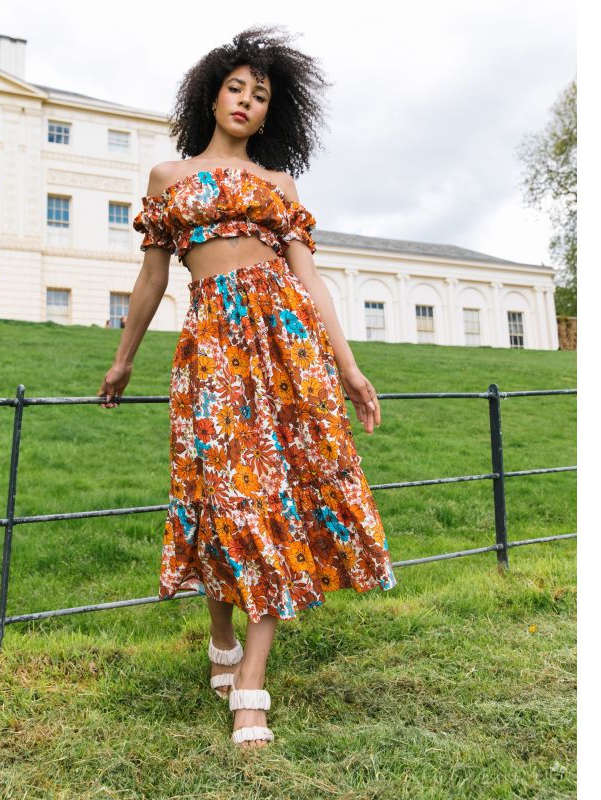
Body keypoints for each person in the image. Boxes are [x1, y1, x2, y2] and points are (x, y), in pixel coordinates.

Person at [98, 25, 397, 749]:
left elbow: (310, 281)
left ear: (271, 114)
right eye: (236, 88)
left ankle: (251, 693)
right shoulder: (169, 180)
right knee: (220, 493)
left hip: (286, 346)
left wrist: (349, 367)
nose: (246, 102)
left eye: (260, 96)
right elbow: (152, 276)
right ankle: (222, 639)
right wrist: (123, 357)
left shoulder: (280, 187)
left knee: (268, 494)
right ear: (211, 94)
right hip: (214, 350)